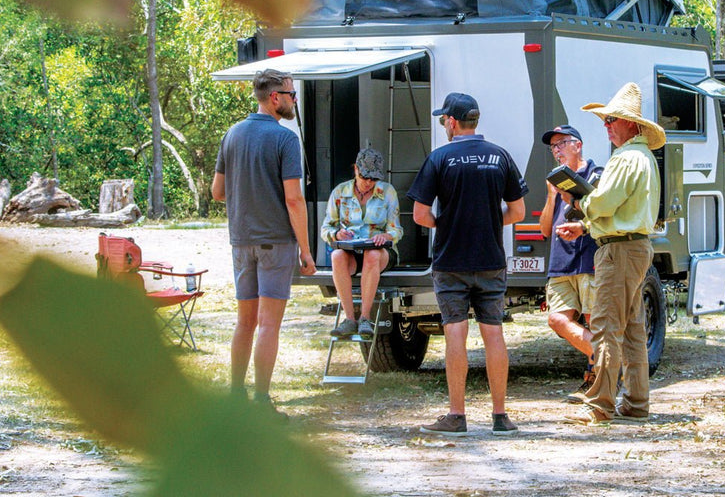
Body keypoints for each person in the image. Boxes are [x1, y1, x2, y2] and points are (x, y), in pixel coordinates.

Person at [408, 92, 528, 437]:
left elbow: (420, 214)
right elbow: (517, 212)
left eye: (444, 119)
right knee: (494, 334)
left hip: (451, 261)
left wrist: (447, 224)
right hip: (490, 259)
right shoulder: (500, 157)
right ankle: (501, 416)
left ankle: (457, 416)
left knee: (455, 334)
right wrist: (488, 220)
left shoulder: (439, 158)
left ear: (451, 122)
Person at [556, 82, 664, 425]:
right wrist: (586, 227)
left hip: (618, 251)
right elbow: (621, 211)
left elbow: (603, 202)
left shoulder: (626, 158)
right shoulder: (641, 156)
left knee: (605, 326)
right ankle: (635, 401)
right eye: (606, 121)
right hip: (632, 247)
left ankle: (599, 404)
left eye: (612, 120)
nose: (607, 126)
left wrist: (578, 202)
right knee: (632, 328)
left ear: (631, 124)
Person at [211, 68, 316, 415]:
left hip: (241, 242)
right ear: (275, 98)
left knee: (245, 321)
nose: (294, 101)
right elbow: (294, 199)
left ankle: (236, 394)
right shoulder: (285, 139)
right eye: (291, 94)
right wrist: (306, 249)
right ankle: (262, 401)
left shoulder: (232, 134)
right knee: (269, 324)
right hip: (275, 242)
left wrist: (249, 195)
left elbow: (217, 193)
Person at [538, 124, 603, 398]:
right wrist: (552, 195)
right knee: (557, 320)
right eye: (553, 147)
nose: (557, 151)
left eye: (562, 144)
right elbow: (544, 229)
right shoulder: (555, 180)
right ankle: (611, 358)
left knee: (592, 321)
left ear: (578, 145)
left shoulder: (596, 175)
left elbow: (600, 214)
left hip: (588, 258)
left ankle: (594, 381)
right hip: (560, 263)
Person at [320, 147, 403, 338]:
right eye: (365, 177)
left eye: (374, 178)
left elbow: (396, 229)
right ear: (356, 169)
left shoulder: (387, 192)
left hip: (380, 251)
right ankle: (349, 318)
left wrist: (386, 237)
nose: (369, 182)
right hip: (351, 249)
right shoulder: (340, 192)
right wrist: (337, 234)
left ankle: (365, 317)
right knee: (337, 256)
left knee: (372, 254)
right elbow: (326, 229)